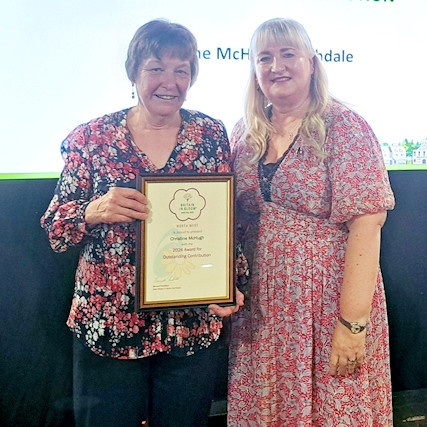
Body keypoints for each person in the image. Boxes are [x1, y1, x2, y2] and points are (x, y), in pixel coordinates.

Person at [41, 19, 242, 427]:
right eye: (156, 68)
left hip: (190, 323)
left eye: (181, 70)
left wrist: (231, 281)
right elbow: (55, 229)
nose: (169, 81)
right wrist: (93, 210)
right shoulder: (92, 138)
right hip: (112, 324)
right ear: (134, 72)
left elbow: (226, 219)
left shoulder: (210, 134)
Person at [227, 18, 395, 426]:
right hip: (262, 310)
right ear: (255, 72)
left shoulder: (346, 128)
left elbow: (367, 225)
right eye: (264, 58)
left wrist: (352, 324)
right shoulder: (245, 134)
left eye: (288, 54)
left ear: (312, 64)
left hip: (327, 303)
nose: (276, 66)